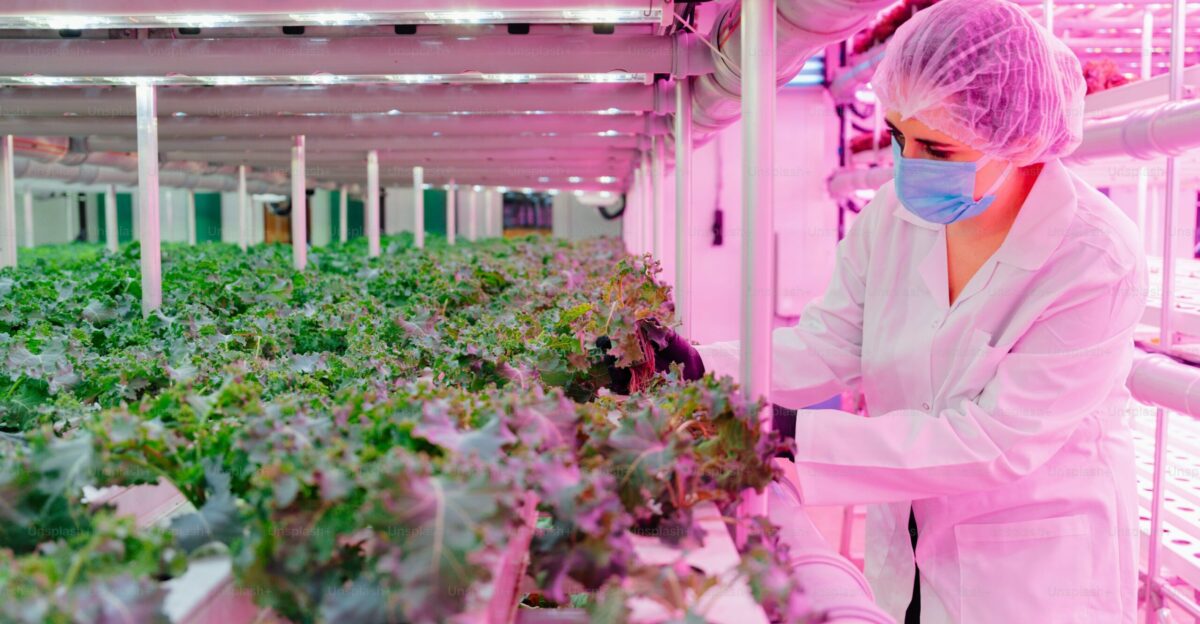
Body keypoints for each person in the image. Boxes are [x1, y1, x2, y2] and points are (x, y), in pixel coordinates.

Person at [620, 0, 1146, 621]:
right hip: (913, 539)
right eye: (899, 136)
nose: (909, 166)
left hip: (1030, 567)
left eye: (938, 149)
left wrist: (788, 432)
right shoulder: (894, 216)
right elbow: (831, 342)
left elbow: (996, 443)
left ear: (1016, 139)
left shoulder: (1092, 256)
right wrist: (704, 368)